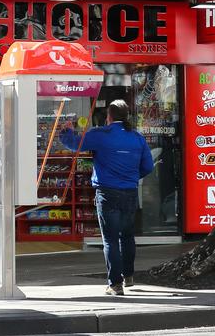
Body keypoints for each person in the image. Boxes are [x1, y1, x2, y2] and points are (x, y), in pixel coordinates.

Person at [60, 99, 153, 296]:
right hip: (130, 192)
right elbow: (147, 167)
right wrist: (131, 177)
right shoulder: (137, 138)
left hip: (107, 193)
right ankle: (129, 276)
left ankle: (115, 284)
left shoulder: (100, 135)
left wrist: (67, 130)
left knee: (110, 239)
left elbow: (73, 144)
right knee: (127, 236)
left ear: (109, 117)